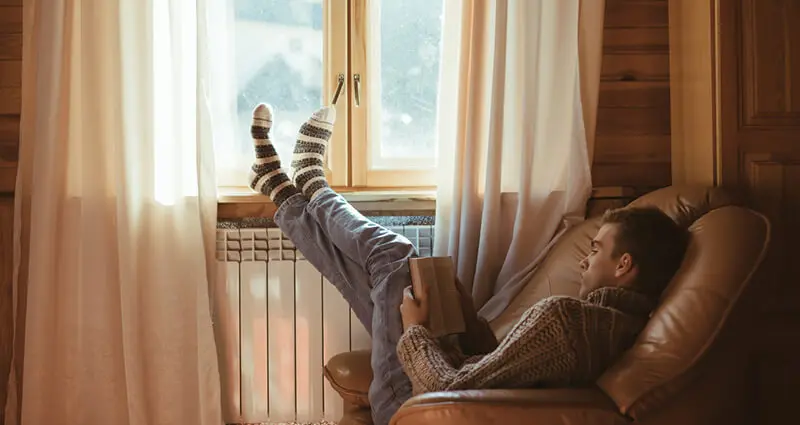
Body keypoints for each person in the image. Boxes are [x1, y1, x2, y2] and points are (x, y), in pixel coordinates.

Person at [246, 103, 690, 425]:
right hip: (432, 392)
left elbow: (451, 388)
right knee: (381, 279)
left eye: (596, 249)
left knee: (393, 254)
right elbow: (503, 370)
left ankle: (312, 183)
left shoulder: (570, 322)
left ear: (623, 265)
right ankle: (280, 189)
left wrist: (417, 331)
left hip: (417, 403)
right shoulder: (615, 328)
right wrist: (466, 318)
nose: (586, 259)